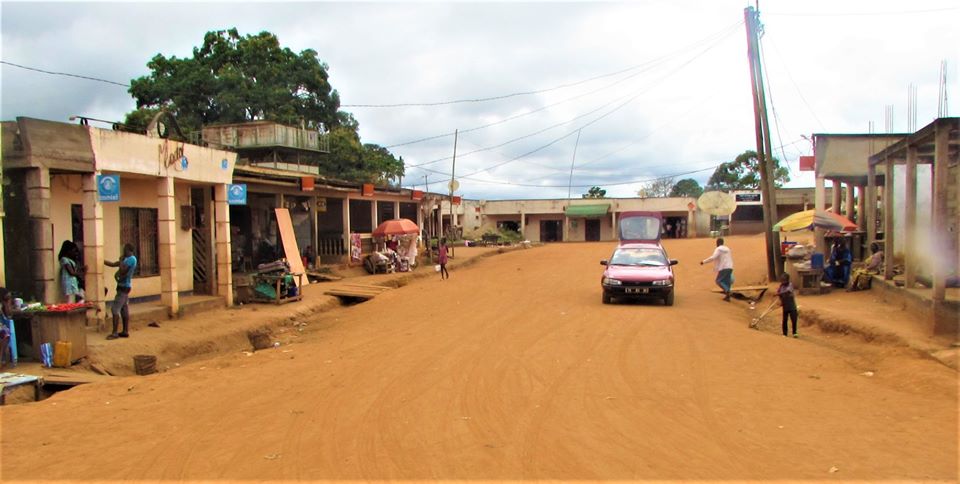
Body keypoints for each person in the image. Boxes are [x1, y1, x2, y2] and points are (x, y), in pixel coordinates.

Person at [104, 243, 137, 340]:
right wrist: (102, 261)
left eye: (124, 250)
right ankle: (125, 331)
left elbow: (122, 271)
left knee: (115, 309)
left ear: (128, 250)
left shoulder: (131, 259)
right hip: (124, 286)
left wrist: (121, 261)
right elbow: (114, 264)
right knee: (124, 308)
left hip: (124, 286)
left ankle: (114, 333)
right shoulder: (127, 259)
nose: (123, 251)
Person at [776, 273, 799, 338]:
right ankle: (784, 333)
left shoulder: (790, 285)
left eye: (784, 280)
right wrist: (780, 299)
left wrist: (779, 294)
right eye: (782, 280)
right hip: (785, 305)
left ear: (787, 280)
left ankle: (795, 332)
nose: (783, 282)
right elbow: (779, 293)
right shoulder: (781, 286)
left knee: (794, 319)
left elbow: (787, 292)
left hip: (792, 306)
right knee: (784, 320)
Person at [0, 287, 17, 368]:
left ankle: (2, 358)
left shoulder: (3, 304)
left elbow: (8, 314)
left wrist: (7, 303)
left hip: (1, 326)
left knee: (6, 334)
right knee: (5, 334)